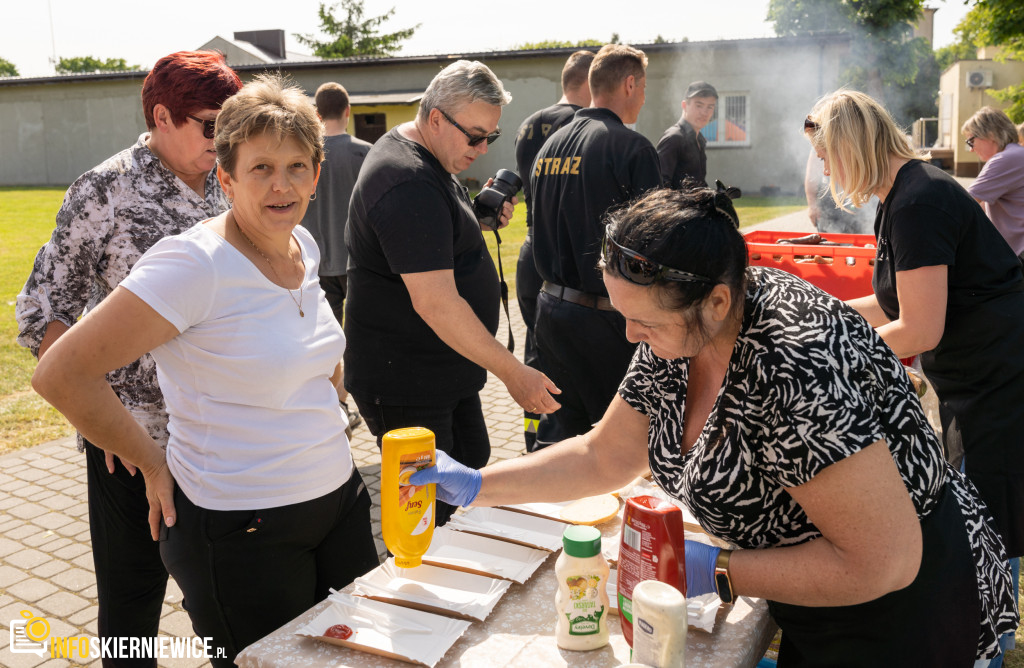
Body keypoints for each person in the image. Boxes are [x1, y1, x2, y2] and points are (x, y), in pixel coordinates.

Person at [413, 187, 1019, 666]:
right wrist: (480, 484)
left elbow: (883, 562)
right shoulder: (679, 327)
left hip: (905, 610)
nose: (630, 337)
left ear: (719, 301)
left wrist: (721, 569)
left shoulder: (791, 366)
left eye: (642, 321)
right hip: (817, 590)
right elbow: (605, 455)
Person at [31, 74, 380, 666]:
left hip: (338, 504)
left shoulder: (302, 244)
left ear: (317, 174)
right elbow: (59, 375)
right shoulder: (194, 264)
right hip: (244, 528)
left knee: (364, 656)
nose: (282, 184)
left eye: (297, 166)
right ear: (225, 177)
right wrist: (150, 460)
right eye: (261, 167)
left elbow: (314, 352)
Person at [15, 50, 240, 667]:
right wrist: (99, 416)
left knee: (229, 600)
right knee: (132, 611)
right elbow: (45, 309)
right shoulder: (105, 190)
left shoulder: (232, 181)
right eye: (212, 124)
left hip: (221, 432)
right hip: (132, 445)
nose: (225, 138)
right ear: (162, 116)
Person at [807, 89, 1024, 665]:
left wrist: (827, 356)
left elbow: (921, 329)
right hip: (974, 378)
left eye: (827, 153)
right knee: (978, 511)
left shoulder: (917, 202)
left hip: (1001, 378)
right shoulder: (903, 195)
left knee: (994, 517)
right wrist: (818, 324)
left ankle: (991, 644)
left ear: (852, 143)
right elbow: (894, 302)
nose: (824, 168)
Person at [344, 60, 560, 526]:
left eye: (492, 138)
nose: (482, 149)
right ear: (437, 118)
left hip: (438, 375)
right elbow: (435, 302)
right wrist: (513, 373)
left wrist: (472, 223)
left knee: (470, 485)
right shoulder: (405, 180)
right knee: (431, 519)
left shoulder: (427, 158)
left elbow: (423, 242)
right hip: (406, 384)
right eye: (475, 136)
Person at [529, 43, 661, 448]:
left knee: (563, 439)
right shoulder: (631, 147)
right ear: (628, 83)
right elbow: (656, 244)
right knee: (618, 444)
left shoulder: (550, 147)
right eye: (642, 87)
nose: (643, 97)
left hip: (550, 312)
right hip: (605, 321)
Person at [514, 49, 594, 451]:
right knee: (565, 357)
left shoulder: (529, 124)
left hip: (531, 250)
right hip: (563, 257)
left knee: (536, 350)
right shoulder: (582, 127)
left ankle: (534, 438)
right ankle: (564, 441)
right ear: (589, 82)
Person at [302, 81, 372, 430]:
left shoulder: (303, 154)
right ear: (348, 112)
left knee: (326, 345)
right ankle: (367, 407)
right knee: (361, 342)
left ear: (316, 114)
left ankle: (337, 407)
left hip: (312, 265)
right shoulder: (367, 154)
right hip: (358, 265)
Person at [963, 106, 1024, 263]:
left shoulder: (1005, 159)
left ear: (990, 134)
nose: (971, 149)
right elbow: (981, 206)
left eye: (971, 141)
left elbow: (964, 203)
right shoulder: (1017, 154)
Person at [656, 80, 717, 189]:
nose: (704, 112)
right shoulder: (673, 138)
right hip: (678, 206)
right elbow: (659, 187)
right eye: (699, 105)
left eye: (710, 107)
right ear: (684, 105)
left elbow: (698, 185)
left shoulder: (699, 140)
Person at [803, 146, 877, 234]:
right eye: (822, 159)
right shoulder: (818, 139)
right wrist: (812, 206)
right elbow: (812, 175)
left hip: (860, 202)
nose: (825, 171)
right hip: (830, 205)